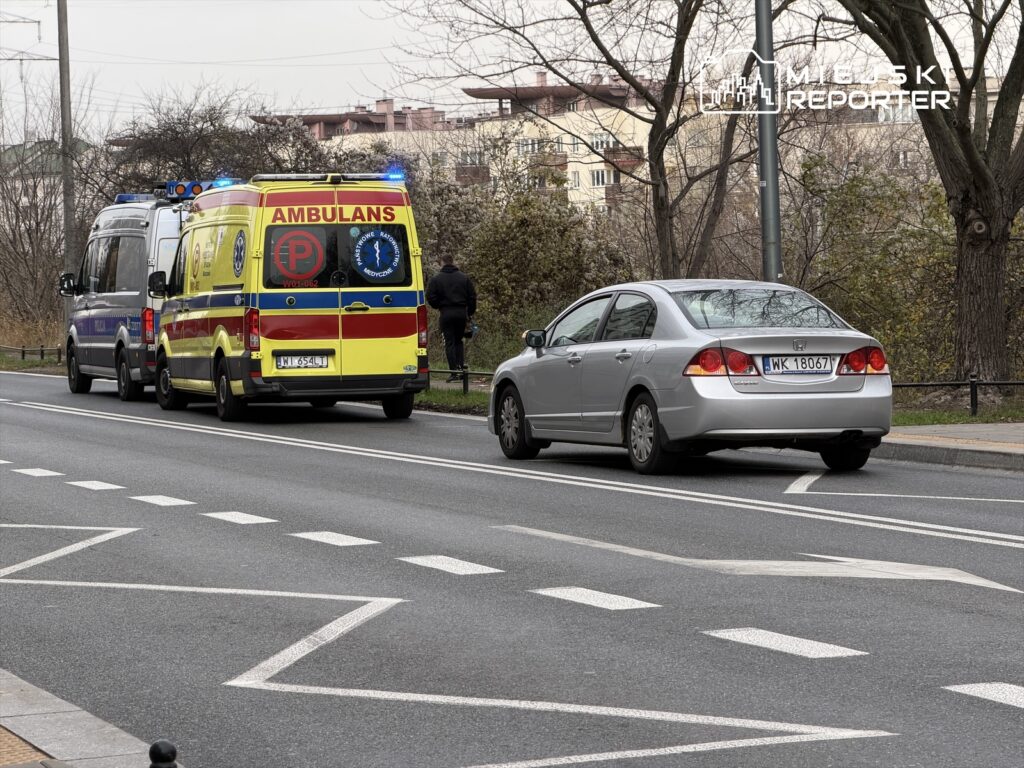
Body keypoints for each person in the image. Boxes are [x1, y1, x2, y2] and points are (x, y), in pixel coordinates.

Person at [426, 254, 477, 382]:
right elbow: (472, 297)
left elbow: (430, 296)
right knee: (459, 341)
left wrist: (438, 305)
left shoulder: (436, 279)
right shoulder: (464, 278)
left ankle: (453, 372)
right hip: (461, 313)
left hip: (446, 313)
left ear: (442, 263)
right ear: (452, 262)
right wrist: (469, 312)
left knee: (449, 342)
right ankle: (460, 369)